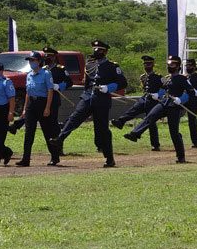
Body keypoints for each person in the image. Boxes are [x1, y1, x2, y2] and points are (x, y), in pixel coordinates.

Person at [50, 40, 128, 168]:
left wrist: (109, 88)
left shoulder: (112, 66)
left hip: (102, 100)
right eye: (95, 49)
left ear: (105, 52)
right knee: (74, 118)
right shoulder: (90, 65)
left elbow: (123, 82)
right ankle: (60, 139)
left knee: (102, 130)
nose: (96, 51)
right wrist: (85, 94)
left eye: (100, 50)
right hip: (87, 98)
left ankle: (109, 158)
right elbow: (87, 83)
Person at [123, 56, 194, 163]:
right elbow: (163, 89)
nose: (169, 66)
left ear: (178, 66)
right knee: (150, 117)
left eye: (172, 64)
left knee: (174, 133)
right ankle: (135, 134)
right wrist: (157, 94)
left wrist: (181, 99)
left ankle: (181, 157)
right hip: (164, 103)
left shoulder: (182, 79)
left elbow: (191, 92)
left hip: (174, 107)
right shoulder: (168, 78)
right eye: (168, 64)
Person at [111, 55, 163, 151]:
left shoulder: (158, 77)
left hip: (154, 100)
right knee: (133, 110)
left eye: (149, 64)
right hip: (145, 98)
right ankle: (120, 122)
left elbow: (164, 88)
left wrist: (158, 94)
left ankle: (155, 144)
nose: (147, 66)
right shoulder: (143, 77)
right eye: (145, 64)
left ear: (153, 65)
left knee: (150, 121)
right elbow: (144, 88)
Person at [16, 51, 57, 166]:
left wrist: (47, 108)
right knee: (29, 132)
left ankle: (55, 157)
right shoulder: (29, 75)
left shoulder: (46, 73)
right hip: (31, 104)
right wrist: (25, 109)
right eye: (29, 60)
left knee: (47, 131)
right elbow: (28, 93)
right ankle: (26, 158)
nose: (31, 62)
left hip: (42, 103)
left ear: (39, 61)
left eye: (33, 60)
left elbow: (50, 91)